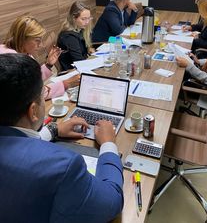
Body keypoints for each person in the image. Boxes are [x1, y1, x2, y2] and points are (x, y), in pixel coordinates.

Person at [0, 53, 124, 223]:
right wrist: (109, 145)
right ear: (34, 111)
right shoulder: (63, 166)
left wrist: (53, 129)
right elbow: (112, 201)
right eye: (43, 96)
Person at [0, 15, 80, 99]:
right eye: (37, 40)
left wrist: (48, 65)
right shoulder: (13, 63)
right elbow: (36, 93)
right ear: (22, 38)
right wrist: (66, 84)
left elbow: (31, 80)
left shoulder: (23, 52)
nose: (41, 45)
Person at [57, 1, 94, 70]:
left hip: (80, 66)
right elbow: (79, 62)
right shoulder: (69, 36)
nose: (87, 22)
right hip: (71, 72)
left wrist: (88, 49)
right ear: (74, 18)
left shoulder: (80, 28)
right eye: (83, 19)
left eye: (89, 18)